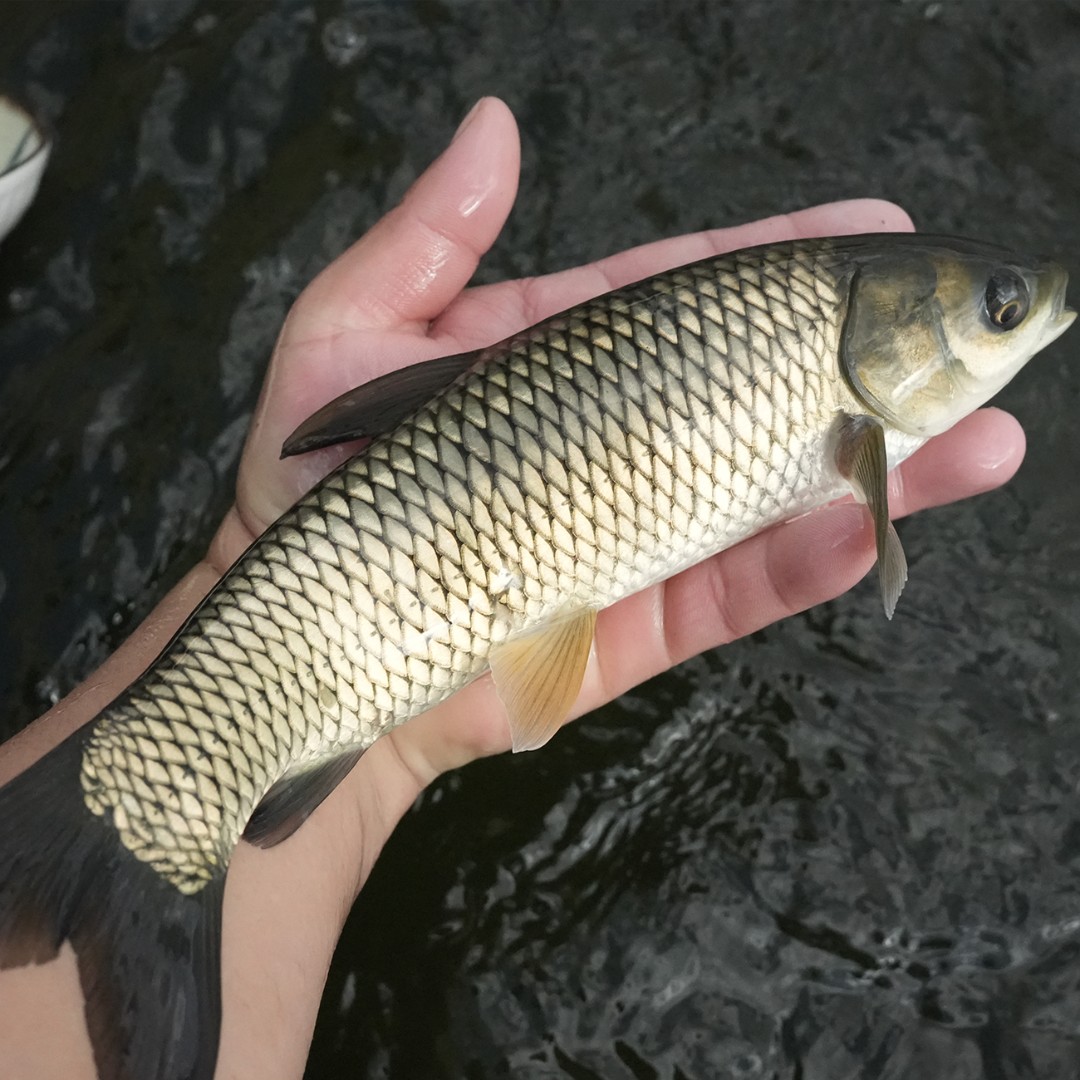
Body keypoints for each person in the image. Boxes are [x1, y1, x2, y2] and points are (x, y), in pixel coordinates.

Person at [0, 97, 1025, 1078]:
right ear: (888, 329)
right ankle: (148, 803)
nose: (1023, 319)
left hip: (407, 569)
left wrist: (245, 560)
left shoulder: (831, 383)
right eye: (1003, 309)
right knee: (183, 780)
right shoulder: (856, 428)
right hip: (410, 554)